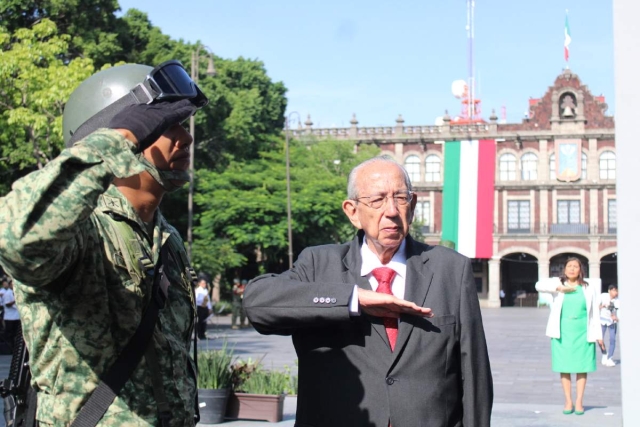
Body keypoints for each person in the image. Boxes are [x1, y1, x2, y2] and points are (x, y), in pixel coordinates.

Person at [0, 61, 207, 425]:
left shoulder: (167, 239)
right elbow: (15, 237)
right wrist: (118, 139)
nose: (185, 138)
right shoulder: (81, 230)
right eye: (163, 124)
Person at [244, 156, 493, 427]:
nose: (391, 210)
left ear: (413, 205)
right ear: (352, 211)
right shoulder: (319, 264)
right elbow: (257, 303)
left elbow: (475, 373)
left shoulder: (450, 269)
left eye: (400, 198)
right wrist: (353, 299)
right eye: (377, 200)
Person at [535, 258, 603, 416]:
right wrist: (559, 288)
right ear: (564, 269)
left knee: (582, 367)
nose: (572, 269)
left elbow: (594, 313)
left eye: (576, 266)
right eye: (569, 266)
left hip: (583, 331)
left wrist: (598, 335)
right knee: (564, 367)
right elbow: (538, 285)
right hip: (562, 332)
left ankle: (579, 400)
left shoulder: (588, 287)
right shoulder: (558, 284)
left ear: (581, 270)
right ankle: (568, 400)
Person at [599, 284, 619, 367]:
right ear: (609, 291)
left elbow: (620, 313)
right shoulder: (603, 296)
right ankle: (604, 353)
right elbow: (595, 306)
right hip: (602, 320)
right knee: (599, 338)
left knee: (612, 340)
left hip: (612, 323)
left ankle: (610, 357)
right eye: (614, 290)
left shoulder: (618, 301)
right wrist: (601, 306)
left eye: (616, 290)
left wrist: (616, 318)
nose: (615, 292)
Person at [2, 279, 20, 350]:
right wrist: (15, 300)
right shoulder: (7, 293)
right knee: (10, 333)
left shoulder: (16, 292)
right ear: (9, 285)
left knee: (16, 333)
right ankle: (10, 347)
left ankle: (15, 347)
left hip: (16, 316)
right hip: (9, 317)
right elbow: (7, 304)